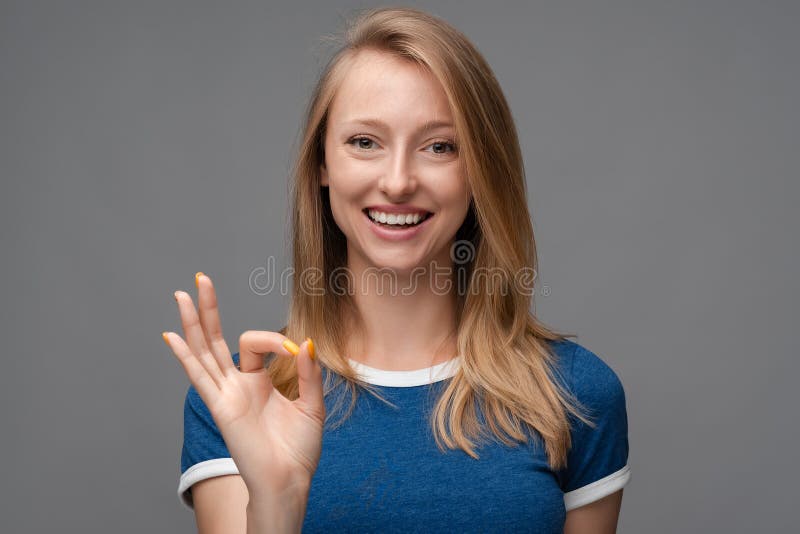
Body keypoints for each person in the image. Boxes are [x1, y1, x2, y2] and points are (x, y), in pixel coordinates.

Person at [162, 6, 630, 533]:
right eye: (365, 142)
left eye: (439, 146)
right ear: (322, 164)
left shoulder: (576, 393)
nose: (399, 181)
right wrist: (278, 500)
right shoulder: (243, 394)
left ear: (479, 170)